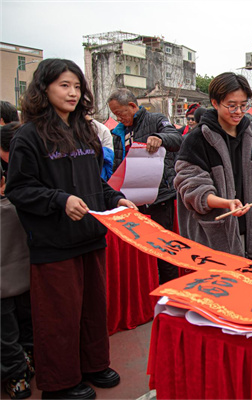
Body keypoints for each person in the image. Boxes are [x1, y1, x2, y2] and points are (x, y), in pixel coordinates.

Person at [5, 58, 138, 399]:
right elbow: (19, 189)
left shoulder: (85, 130)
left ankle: (93, 365)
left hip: (91, 235)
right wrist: (59, 200)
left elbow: (94, 182)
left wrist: (117, 199)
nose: (73, 93)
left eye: (77, 86)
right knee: (59, 317)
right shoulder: (28, 136)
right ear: (44, 88)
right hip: (53, 243)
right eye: (64, 85)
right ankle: (60, 383)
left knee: (93, 310)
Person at [174, 73, 252, 260]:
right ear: (215, 103)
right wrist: (226, 203)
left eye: (243, 105)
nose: (238, 111)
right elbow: (191, 187)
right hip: (213, 240)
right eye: (231, 105)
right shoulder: (197, 140)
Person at [108, 88, 183, 284]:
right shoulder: (118, 133)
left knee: (164, 249)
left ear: (132, 106)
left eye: (120, 113)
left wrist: (160, 138)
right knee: (141, 252)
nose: (118, 118)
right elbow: (118, 165)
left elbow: (176, 139)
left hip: (159, 198)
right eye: (115, 115)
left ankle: (169, 291)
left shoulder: (155, 120)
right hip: (131, 200)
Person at [1, 122, 34, 400]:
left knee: (24, 318)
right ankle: (17, 372)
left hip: (23, 267)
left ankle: (24, 365)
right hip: (10, 271)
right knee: (7, 325)